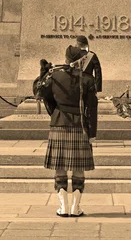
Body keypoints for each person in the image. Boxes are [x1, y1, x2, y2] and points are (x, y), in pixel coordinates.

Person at [43, 45, 98, 218]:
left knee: (59, 166)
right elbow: (92, 108)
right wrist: (92, 133)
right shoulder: (88, 80)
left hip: (59, 123)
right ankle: (75, 207)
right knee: (78, 167)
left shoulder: (55, 75)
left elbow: (43, 94)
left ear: (66, 59)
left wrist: (43, 73)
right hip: (80, 125)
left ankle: (63, 206)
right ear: (80, 60)